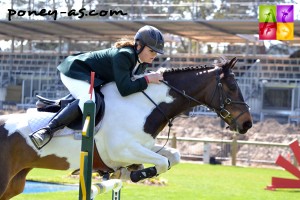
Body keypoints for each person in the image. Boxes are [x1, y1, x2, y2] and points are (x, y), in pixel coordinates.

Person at [29, 25, 165, 149]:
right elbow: (125, 89)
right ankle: (46, 131)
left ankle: (51, 106)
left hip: (94, 78)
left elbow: (132, 83)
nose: (155, 55)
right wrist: (148, 79)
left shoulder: (142, 62)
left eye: (156, 52)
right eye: (152, 51)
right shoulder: (125, 55)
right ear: (139, 46)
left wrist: (150, 78)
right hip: (75, 70)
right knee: (90, 102)